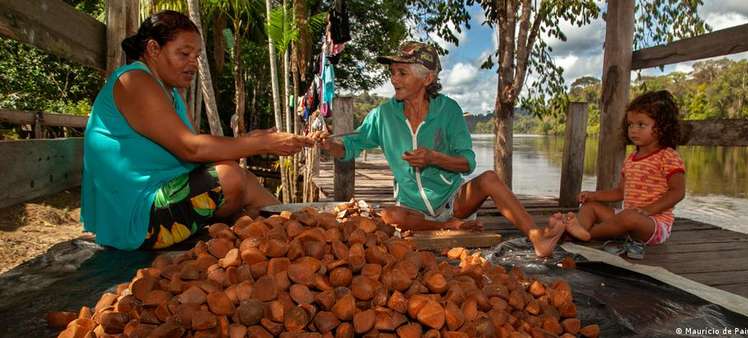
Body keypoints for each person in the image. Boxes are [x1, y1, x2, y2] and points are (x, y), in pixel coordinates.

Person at [81, 11, 312, 250]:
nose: (194, 63)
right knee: (230, 176)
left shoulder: (170, 92)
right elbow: (190, 148)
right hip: (134, 217)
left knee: (247, 182)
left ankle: (301, 236)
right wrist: (261, 144)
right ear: (153, 49)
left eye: (197, 56)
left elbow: (200, 147)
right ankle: (297, 237)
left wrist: (251, 139)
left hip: (155, 202)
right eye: (184, 54)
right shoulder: (135, 81)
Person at [312, 41, 565, 257]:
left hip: (452, 201)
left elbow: (467, 163)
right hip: (411, 211)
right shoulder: (382, 115)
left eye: (402, 72)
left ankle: (537, 236)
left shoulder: (449, 111)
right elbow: (350, 147)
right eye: (393, 72)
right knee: (388, 215)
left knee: (489, 179)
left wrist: (434, 158)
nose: (394, 79)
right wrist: (327, 144)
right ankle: (451, 226)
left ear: (427, 78)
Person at [563, 90, 686, 251]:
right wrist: (593, 195)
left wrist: (648, 210)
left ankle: (587, 233)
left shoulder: (668, 156)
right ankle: (577, 230)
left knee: (628, 217)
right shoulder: (631, 158)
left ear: (662, 127)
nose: (633, 130)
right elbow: (620, 192)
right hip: (627, 218)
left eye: (641, 124)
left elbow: (678, 192)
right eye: (630, 124)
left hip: (654, 225)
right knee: (590, 207)